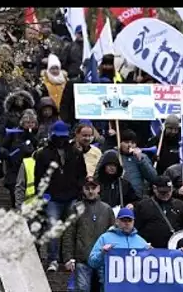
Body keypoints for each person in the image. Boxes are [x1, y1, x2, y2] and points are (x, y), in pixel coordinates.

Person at [34, 120, 87, 272]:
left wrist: (78, 191)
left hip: (71, 196)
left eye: (63, 136)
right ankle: (53, 259)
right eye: (58, 136)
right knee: (53, 229)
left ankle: (70, 258)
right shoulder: (43, 154)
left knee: (72, 229)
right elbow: (39, 177)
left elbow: (81, 174)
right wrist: (44, 196)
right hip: (53, 198)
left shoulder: (75, 153)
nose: (61, 140)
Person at [63, 177, 115, 292]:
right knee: (82, 289)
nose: (90, 191)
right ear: (83, 189)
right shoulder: (76, 208)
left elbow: (114, 234)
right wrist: (68, 257)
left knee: (105, 289)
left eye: (93, 188)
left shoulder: (107, 209)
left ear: (99, 189)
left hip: (102, 258)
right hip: (83, 258)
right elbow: (68, 234)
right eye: (87, 188)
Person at [88, 208, 151, 292]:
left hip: (136, 288)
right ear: (117, 221)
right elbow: (92, 262)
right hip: (111, 288)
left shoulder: (141, 242)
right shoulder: (105, 238)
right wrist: (102, 253)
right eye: (123, 220)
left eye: (129, 220)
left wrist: (152, 254)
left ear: (133, 222)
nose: (127, 223)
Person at [95, 129, 158, 199]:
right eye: (126, 142)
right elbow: (97, 174)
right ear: (120, 142)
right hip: (114, 197)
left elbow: (153, 178)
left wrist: (141, 161)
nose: (129, 145)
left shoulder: (142, 157)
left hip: (136, 198)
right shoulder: (111, 154)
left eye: (133, 142)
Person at [134, 177, 183, 248]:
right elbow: (136, 228)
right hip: (150, 249)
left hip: (175, 250)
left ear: (172, 188)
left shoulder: (181, 205)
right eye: (162, 192)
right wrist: (143, 244)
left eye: (168, 191)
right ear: (154, 189)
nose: (166, 194)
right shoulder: (143, 205)